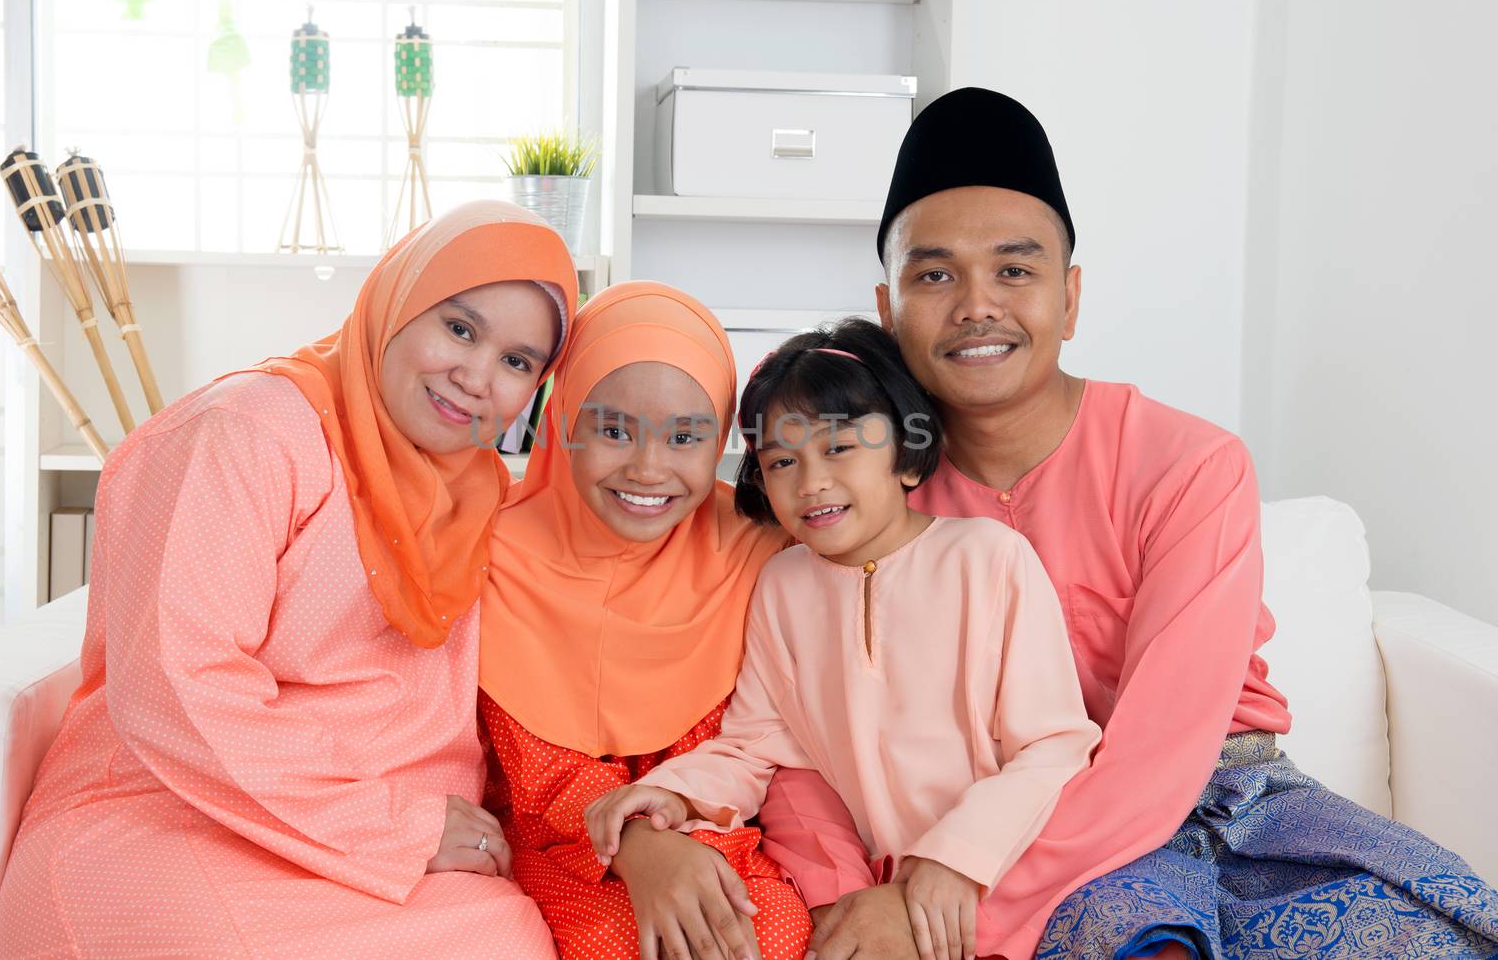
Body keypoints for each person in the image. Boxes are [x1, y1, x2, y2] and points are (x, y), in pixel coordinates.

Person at [759, 88, 1498, 960]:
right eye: (934, 274)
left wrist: (941, 920)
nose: (975, 305)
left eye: (1015, 270)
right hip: (999, 817)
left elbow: (1159, 753)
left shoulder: (1190, 466)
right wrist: (852, 904)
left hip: (1229, 803)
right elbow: (799, 738)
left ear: (1069, 299)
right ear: (887, 309)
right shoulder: (849, 494)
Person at [0, 202, 577, 959]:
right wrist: (394, 825)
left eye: (518, 362)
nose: (475, 377)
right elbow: (178, 684)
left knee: (506, 940)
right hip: (165, 817)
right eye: (459, 329)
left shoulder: (479, 493)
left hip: (382, 842)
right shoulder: (249, 430)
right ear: (394, 302)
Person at [584, 317, 1101, 960]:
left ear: (906, 457)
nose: (811, 482)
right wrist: (674, 792)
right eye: (781, 461)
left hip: (1001, 871)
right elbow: (758, 745)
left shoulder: (988, 558)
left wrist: (959, 859)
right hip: (874, 891)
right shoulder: (783, 583)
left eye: (839, 448)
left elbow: (1053, 746)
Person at [479, 281, 813, 960]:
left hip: (710, 818)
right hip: (565, 839)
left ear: (721, 435)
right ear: (565, 419)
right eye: (611, 429)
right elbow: (533, 771)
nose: (648, 468)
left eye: (685, 436)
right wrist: (637, 841)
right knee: (625, 946)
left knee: (767, 933)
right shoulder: (494, 550)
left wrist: (673, 823)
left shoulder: (759, 544)